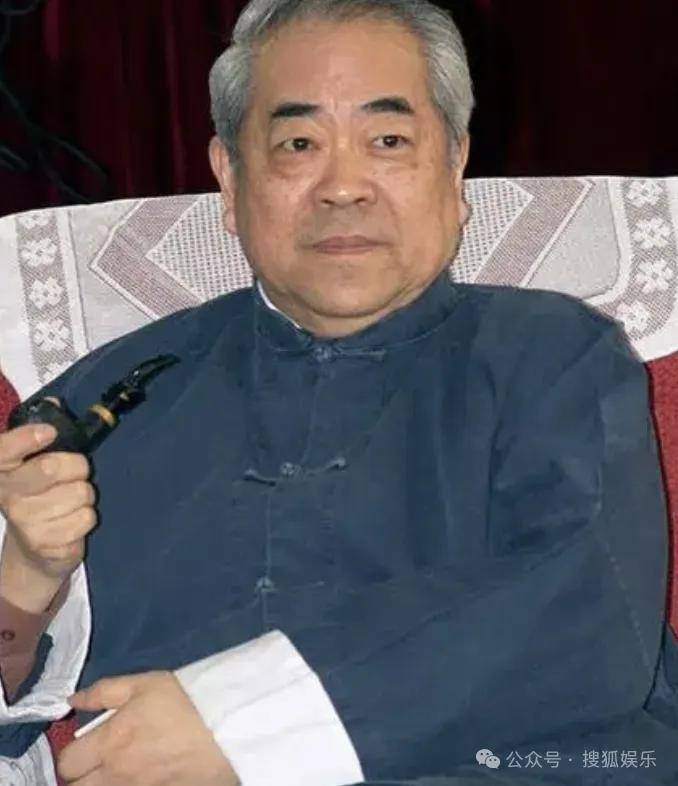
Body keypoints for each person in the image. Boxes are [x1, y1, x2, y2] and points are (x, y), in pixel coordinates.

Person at [1, 0, 678, 784]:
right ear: (230, 178)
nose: (344, 187)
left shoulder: (555, 355)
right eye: (298, 144)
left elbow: (588, 609)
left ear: (455, 165)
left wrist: (242, 727)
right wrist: (27, 577)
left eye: (388, 140)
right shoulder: (107, 398)